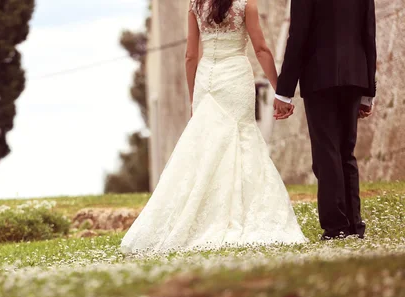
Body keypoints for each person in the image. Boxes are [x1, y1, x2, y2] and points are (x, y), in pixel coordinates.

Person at [120, 0, 307, 255]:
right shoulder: (246, 5)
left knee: (204, 148)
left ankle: (197, 218)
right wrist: (280, 91)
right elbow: (261, 49)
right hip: (235, 78)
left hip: (206, 82)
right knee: (241, 139)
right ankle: (237, 212)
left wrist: (192, 98)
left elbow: (190, 56)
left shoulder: (196, 5)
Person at [274, 0, 377, 241]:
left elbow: (298, 36)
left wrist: (284, 92)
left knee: (326, 151)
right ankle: (354, 226)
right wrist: (368, 92)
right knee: (346, 152)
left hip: (319, 75)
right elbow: (369, 35)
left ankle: (336, 228)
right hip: (354, 75)